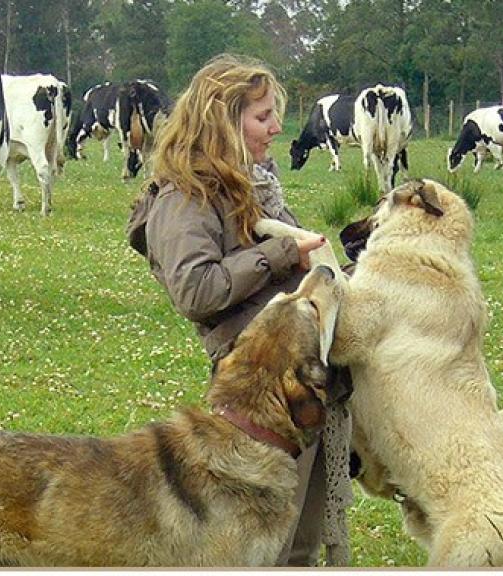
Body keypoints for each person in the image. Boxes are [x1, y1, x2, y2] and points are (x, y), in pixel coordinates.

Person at [134, 53, 352, 566]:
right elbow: (194, 290)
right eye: (262, 117)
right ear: (221, 120)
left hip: (299, 383)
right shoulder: (185, 197)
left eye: (274, 115)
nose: (277, 127)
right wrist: (281, 254)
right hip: (260, 396)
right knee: (266, 541)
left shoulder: (251, 186)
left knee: (299, 536)